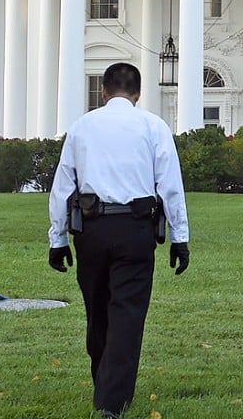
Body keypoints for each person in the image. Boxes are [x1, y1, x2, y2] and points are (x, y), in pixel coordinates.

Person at [47, 62, 190, 418]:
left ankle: (105, 384)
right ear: (138, 94)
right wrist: (180, 238)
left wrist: (58, 239)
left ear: (104, 92)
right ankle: (112, 399)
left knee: (97, 311)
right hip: (136, 228)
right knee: (127, 313)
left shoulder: (81, 128)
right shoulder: (154, 127)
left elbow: (62, 187)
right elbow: (170, 186)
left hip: (91, 230)